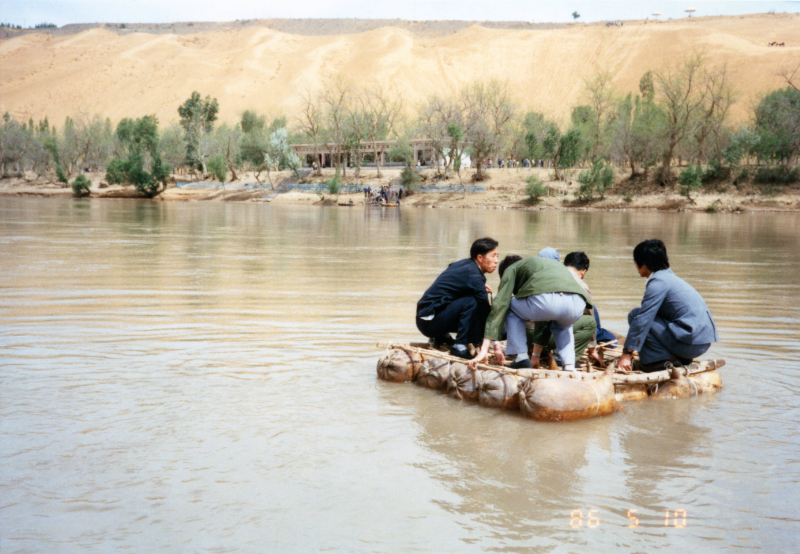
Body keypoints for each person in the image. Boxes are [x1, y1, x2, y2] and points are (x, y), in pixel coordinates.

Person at [470, 253, 592, 370]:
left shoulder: (511, 269)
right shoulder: (543, 267)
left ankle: (521, 357)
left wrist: (485, 348)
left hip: (549, 302)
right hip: (578, 303)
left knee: (510, 306)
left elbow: (500, 305)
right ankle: (569, 366)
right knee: (564, 326)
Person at [619, 239, 719, 372]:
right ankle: (678, 359)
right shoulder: (669, 277)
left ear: (645, 263)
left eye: (636, 261)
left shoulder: (658, 283)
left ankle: (663, 361)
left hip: (690, 344)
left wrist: (627, 353)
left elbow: (642, 320)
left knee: (636, 315)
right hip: (700, 343)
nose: (636, 265)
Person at [416, 238, 501, 360]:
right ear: (480, 258)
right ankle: (459, 346)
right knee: (472, 302)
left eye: (497, 256)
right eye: (493, 256)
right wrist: (495, 340)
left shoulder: (465, 264)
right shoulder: (474, 275)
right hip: (429, 322)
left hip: (424, 319)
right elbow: (484, 309)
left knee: (471, 300)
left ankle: (442, 337)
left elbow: (454, 279)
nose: (496, 261)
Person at [527, 251, 602, 368]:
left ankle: (541, 352)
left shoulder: (547, 276)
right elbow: (590, 315)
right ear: (584, 271)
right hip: (543, 335)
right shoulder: (581, 286)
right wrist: (592, 349)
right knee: (590, 322)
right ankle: (560, 357)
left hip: (527, 337)